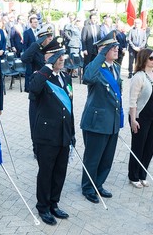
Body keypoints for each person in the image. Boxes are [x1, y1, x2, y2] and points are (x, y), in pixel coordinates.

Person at [29, 36, 75, 225]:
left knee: (60, 171)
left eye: (62, 54)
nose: (61, 58)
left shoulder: (65, 76)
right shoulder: (39, 76)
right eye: (56, 55)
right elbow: (33, 89)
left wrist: (72, 134)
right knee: (46, 172)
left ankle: (54, 203)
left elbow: (70, 107)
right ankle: (43, 206)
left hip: (64, 133)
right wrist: (47, 67)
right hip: (47, 136)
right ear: (47, 57)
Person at [80, 30, 124, 204]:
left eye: (116, 47)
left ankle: (98, 184)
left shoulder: (117, 67)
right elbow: (88, 77)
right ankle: (88, 187)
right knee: (93, 157)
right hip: (97, 121)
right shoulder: (96, 67)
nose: (116, 50)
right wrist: (100, 56)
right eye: (112, 47)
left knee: (107, 157)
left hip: (111, 120)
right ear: (103, 50)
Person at [21, 25, 54, 158]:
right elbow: (24, 59)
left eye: (51, 36)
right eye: (48, 37)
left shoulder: (52, 50)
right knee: (35, 120)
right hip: (36, 91)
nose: (50, 39)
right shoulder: (36, 50)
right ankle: (36, 148)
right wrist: (37, 44)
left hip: (50, 90)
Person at [128, 48, 153, 188]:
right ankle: (133, 176)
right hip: (140, 117)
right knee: (138, 147)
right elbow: (133, 101)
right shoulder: (139, 76)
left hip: (152, 118)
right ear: (144, 59)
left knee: (149, 148)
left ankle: (142, 174)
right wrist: (133, 119)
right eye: (151, 58)